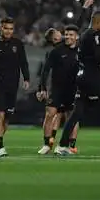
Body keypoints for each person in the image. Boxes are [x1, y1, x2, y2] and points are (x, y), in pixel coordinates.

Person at [54, 9, 100, 156]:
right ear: (99, 22)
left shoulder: (87, 35)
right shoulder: (91, 36)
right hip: (93, 77)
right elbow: (98, 55)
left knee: (76, 113)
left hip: (83, 77)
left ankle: (61, 145)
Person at [0, 17, 30, 157]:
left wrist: (26, 78)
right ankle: (1, 147)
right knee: (0, 115)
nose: (8, 31)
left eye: (11, 29)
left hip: (12, 85)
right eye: (6, 28)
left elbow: (23, 62)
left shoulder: (18, 44)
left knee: (7, 117)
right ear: (0, 28)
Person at [37, 25, 80, 155]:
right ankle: (46, 144)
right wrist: (42, 88)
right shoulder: (56, 51)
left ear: (76, 37)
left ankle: (70, 145)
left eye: (71, 35)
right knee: (50, 114)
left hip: (73, 89)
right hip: (57, 89)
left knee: (72, 117)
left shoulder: (81, 51)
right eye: (66, 34)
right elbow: (45, 70)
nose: (68, 37)